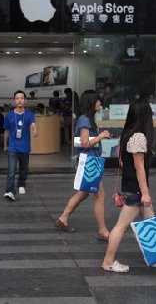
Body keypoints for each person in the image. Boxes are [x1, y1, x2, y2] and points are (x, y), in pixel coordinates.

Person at [101, 98, 156, 272]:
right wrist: (145, 193)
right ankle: (108, 261)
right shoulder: (138, 136)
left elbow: (123, 161)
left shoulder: (127, 133)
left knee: (151, 221)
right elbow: (139, 167)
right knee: (121, 226)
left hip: (133, 187)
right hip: (135, 189)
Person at [54, 90, 112, 241]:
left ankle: (63, 218)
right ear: (91, 102)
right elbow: (86, 144)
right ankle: (102, 231)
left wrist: (100, 136)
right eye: (98, 100)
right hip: (90, 162)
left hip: (89, 161)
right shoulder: (85, 120)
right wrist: (101, 136)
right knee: (100, 195)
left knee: (83, 193)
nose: (100, 103)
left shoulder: (86, 119)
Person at [3, 90, 38, 201]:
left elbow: (33, 124)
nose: (19, 100)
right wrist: (5, 144)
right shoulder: (9, 115)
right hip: (12, 147)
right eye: (17, 98)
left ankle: (21, 184)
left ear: (25, 100)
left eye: (22, 98)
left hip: (24, 147)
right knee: (11, 170)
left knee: (24, 169)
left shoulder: (29, 114)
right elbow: (6, 131)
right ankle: (9, 191)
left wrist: (35, 130)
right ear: (14, 100)